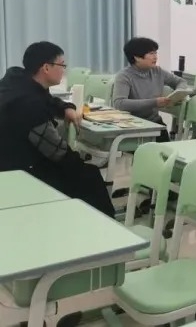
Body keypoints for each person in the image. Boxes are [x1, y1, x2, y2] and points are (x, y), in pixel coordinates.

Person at [0, 42, 115, 217]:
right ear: (46, 68)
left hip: (10, 157)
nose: (64, 70)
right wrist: (79, 163)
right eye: (62, 65)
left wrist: (66, 108)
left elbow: (49, 100)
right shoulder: (29, 104)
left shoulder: (18, 81)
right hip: (19, 168)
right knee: (88, 175)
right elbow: (56, 151)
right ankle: (105, 224)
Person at [112, 37, 188, 142]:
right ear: (137, 57)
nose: (155, 57)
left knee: (166, 149)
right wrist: (154, 102)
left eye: (156, 53)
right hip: (131, 124)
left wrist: (177, 93)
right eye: (151, 53)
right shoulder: (124, 76)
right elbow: (119, 103)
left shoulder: (157, 71)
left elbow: (181, 81)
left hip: (154, 122)